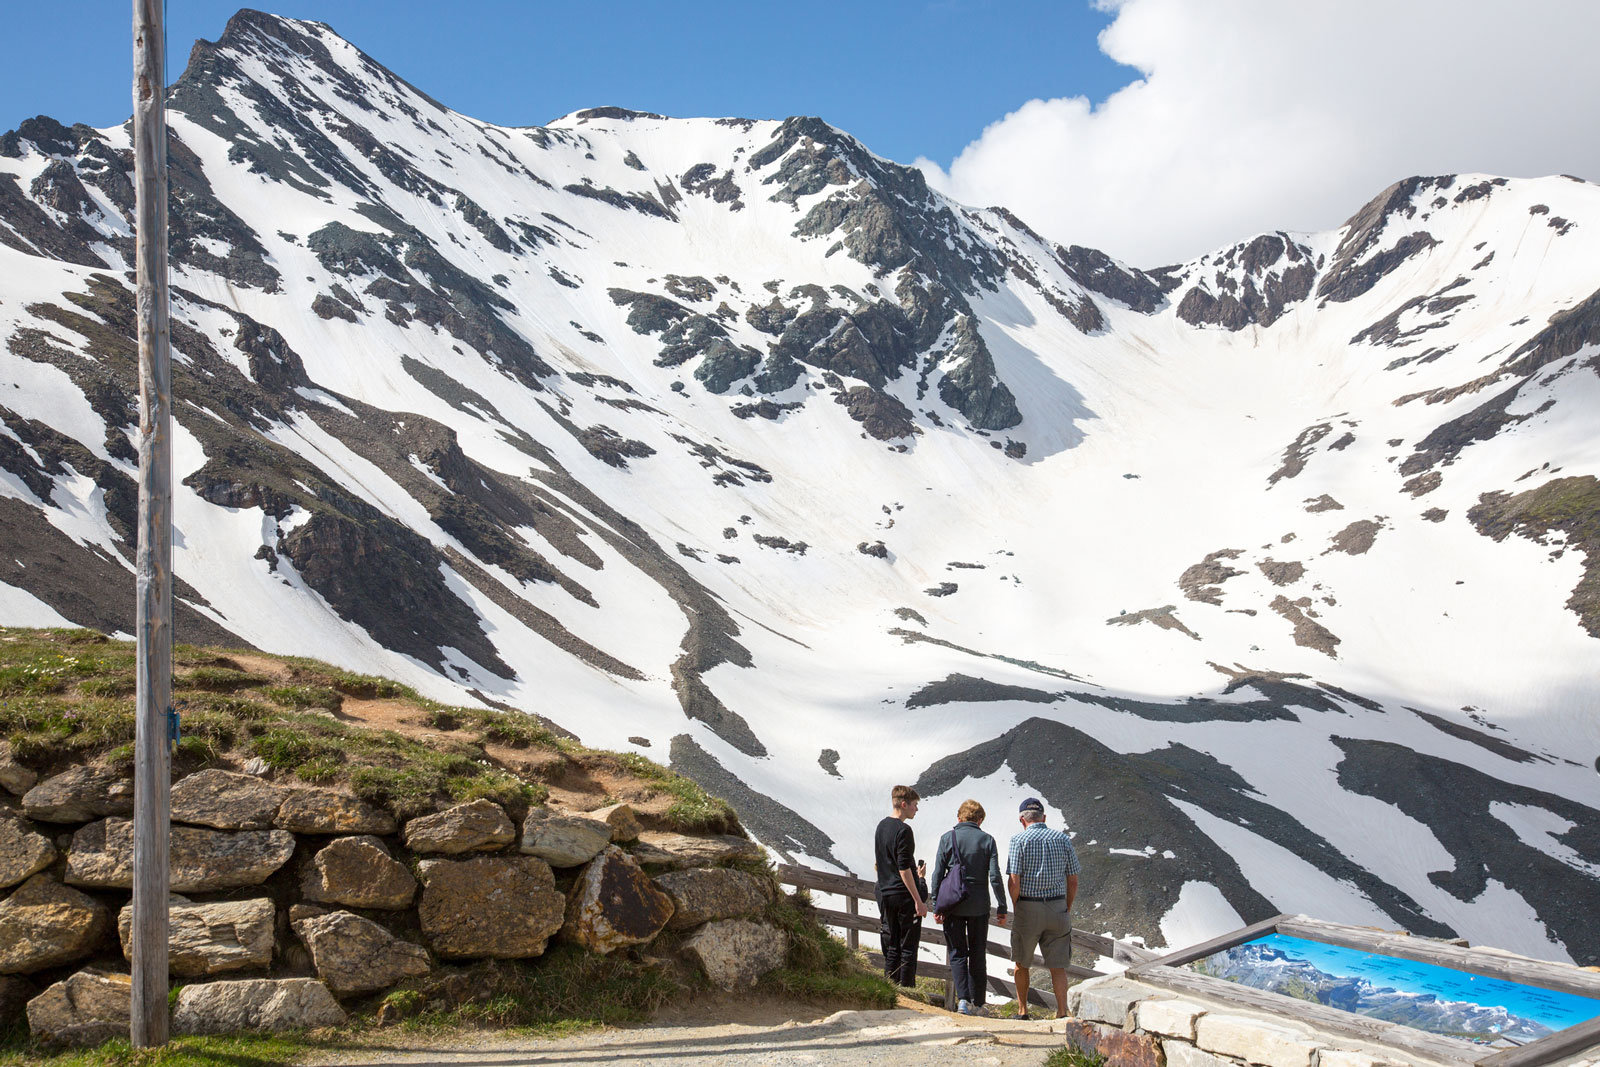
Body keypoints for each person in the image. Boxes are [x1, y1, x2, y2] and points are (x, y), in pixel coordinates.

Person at [930, 799, 1007, 1016]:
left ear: (959, 818)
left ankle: (963, 1001)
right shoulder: (988, 840)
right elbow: (995, 876)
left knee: (957, 953)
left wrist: (936, 905)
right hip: (980, 906)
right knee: (977, 953)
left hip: (953, 904)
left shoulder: (948, 838)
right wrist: (1002, 906)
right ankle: (979, 1004)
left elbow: (937, 873)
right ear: (980, 820)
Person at [1006, 796, 1080, 1020]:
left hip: (1028, 906)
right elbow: (1073, 880)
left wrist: (1017, 906)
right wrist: (1066, 907)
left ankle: (1023, 1011)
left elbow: (1014, 881)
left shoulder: (1018, 840)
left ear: (1022, 819)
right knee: (1058, 966)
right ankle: (1062, 1012)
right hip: (1057, 907)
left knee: (1022, 962)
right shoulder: (1062, 839)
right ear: (1044, 818)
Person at [873, 784, 927, 987]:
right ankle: (907, 989)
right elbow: (904, 868)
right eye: (914, 805)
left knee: (893, 944)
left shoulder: (881, 826)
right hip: (903, 895)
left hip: (886, 892)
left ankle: (890, 986)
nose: (916, 809)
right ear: (904, 804)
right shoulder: (904, 830)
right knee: (908, 946)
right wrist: (918, 900)